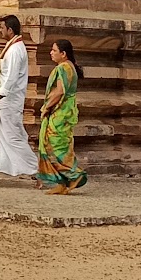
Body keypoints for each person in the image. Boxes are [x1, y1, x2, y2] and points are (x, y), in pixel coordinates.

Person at [0, 14, 36, 187]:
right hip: (3, 101)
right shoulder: (12, 47)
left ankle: (38, 172)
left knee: (13, 138)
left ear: (10, 30)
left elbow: (10, 79)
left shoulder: (17, 50)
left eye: (2, 28)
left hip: (8, 102)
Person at [36, 39, 88, 195]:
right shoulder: (70, 67)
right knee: (60, 144)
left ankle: (74, 174)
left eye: (54, 50)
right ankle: (61, 183)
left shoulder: (63, 68)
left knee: (54, 145)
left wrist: (46, 107)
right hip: (66, 111)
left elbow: (59, 92)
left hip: (60, 112)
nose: (51, 53)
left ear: (63, 54)